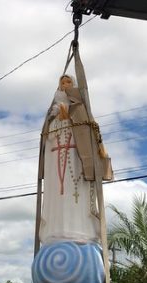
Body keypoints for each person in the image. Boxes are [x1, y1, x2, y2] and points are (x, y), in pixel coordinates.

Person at [39, 74, 101, 244]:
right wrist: (59, 120)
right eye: (62, 83)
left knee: (76, 195)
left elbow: (86, 133)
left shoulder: (80, 107)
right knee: (58, 195)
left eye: (69, 82)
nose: (65, 85)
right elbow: (48, 136)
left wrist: (71, 119)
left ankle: (80, 230)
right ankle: (56, 229)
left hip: (76, 158)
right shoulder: (53, 111)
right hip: (56, 157)